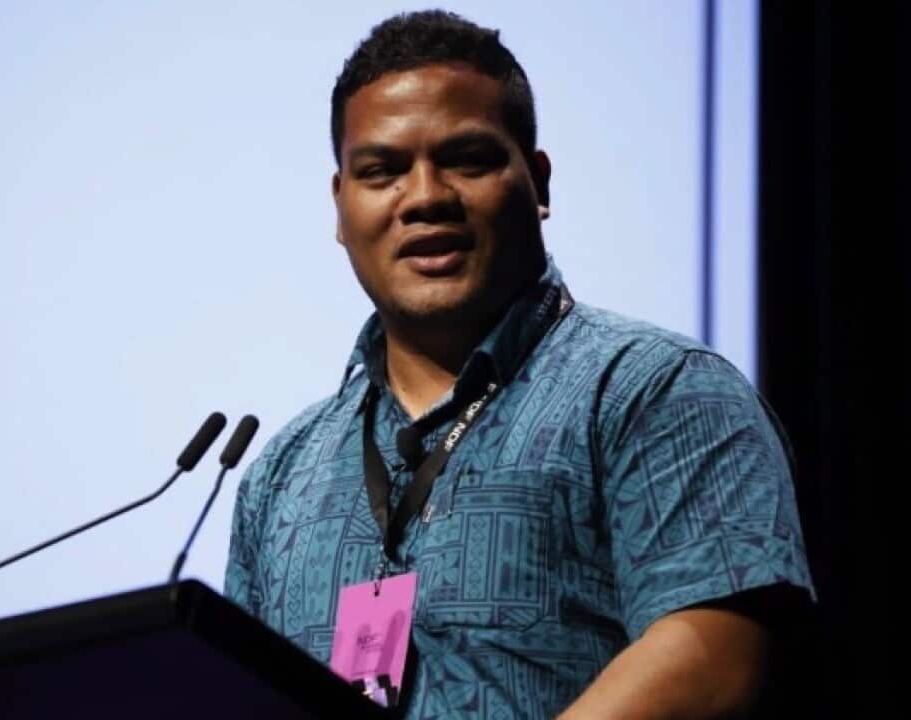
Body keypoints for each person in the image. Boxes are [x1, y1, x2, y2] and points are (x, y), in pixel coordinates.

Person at [223, 9, 814, 719]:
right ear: (341, 207)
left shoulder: (656, 390)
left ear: (538, 183)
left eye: (467, 160)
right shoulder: (280, 474)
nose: (425, 198)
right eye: (382, 171)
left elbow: (715, 654)